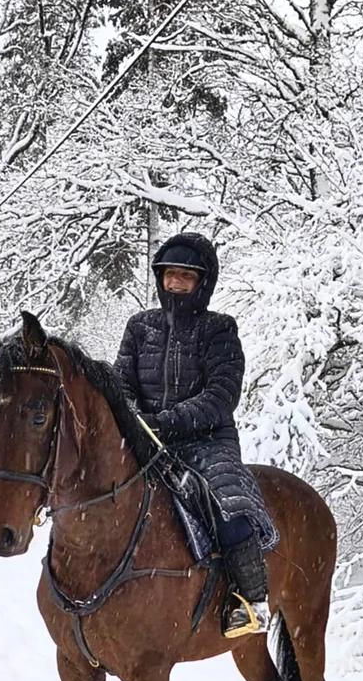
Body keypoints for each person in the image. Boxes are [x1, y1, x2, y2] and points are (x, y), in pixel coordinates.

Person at [115, 231, 274, 637]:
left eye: (185, 276)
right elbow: (121, 383)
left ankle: (251, 602)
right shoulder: (139, 327)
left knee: (228, 503)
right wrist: (133, 417)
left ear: (203, 282)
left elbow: (221, 395)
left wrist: (169, 421)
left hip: (206, 440)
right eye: (170, 274)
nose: (175, 283)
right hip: (145, 438)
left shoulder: (219, 329)